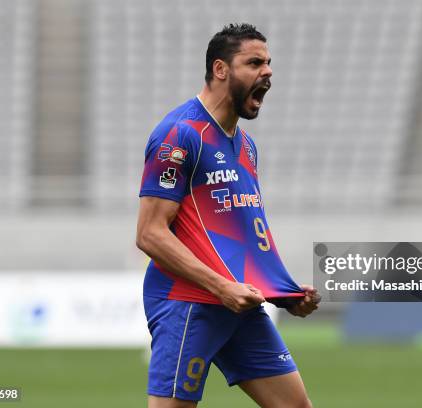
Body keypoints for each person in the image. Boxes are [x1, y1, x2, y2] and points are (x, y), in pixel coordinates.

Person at [136, 23, 320, 408]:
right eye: (254, 63)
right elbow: (150, 234)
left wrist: (281, 292)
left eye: (268, 63)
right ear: (221, 70)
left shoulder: (246, 146)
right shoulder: (179, 134)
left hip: (239, 302)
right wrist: (221, 287)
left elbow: (240, 234)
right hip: (188, 302)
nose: (267, 72)